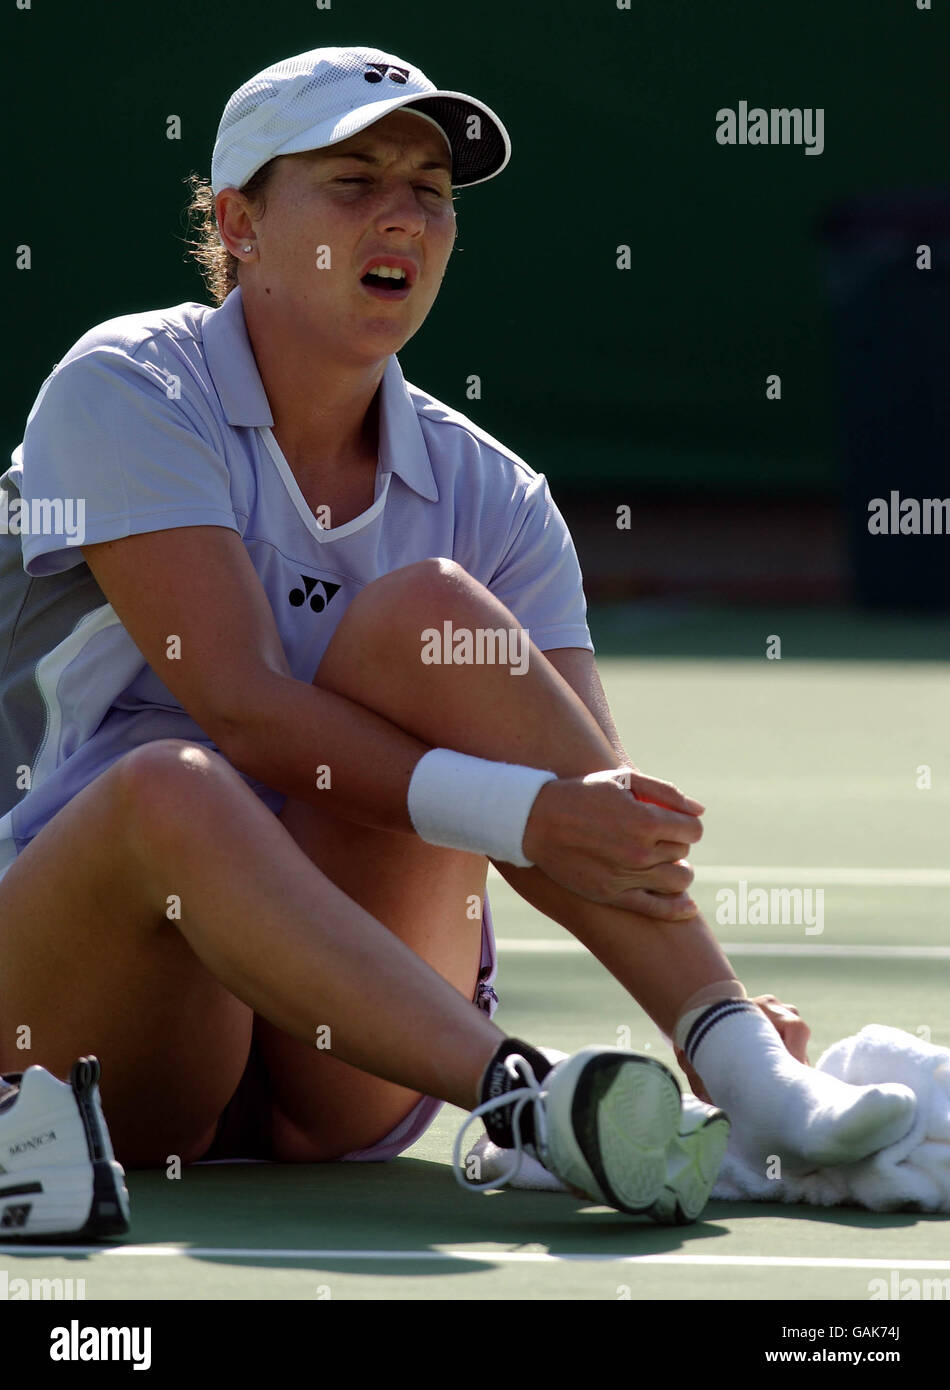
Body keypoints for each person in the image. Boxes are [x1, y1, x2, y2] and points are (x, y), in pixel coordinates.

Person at [0, 45, 915, 1242]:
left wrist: (682, 966)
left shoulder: (497, 495)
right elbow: (239, 702)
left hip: (354, 1069)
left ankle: (738, 1067)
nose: (404, 216)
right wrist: (529, 817)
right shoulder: (126, 386)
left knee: (432, 617)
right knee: (176, 787)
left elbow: (594, 803)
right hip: (103, 1036)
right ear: (239, 223)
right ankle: (532, 1102)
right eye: (353, 179)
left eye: (429, 190)